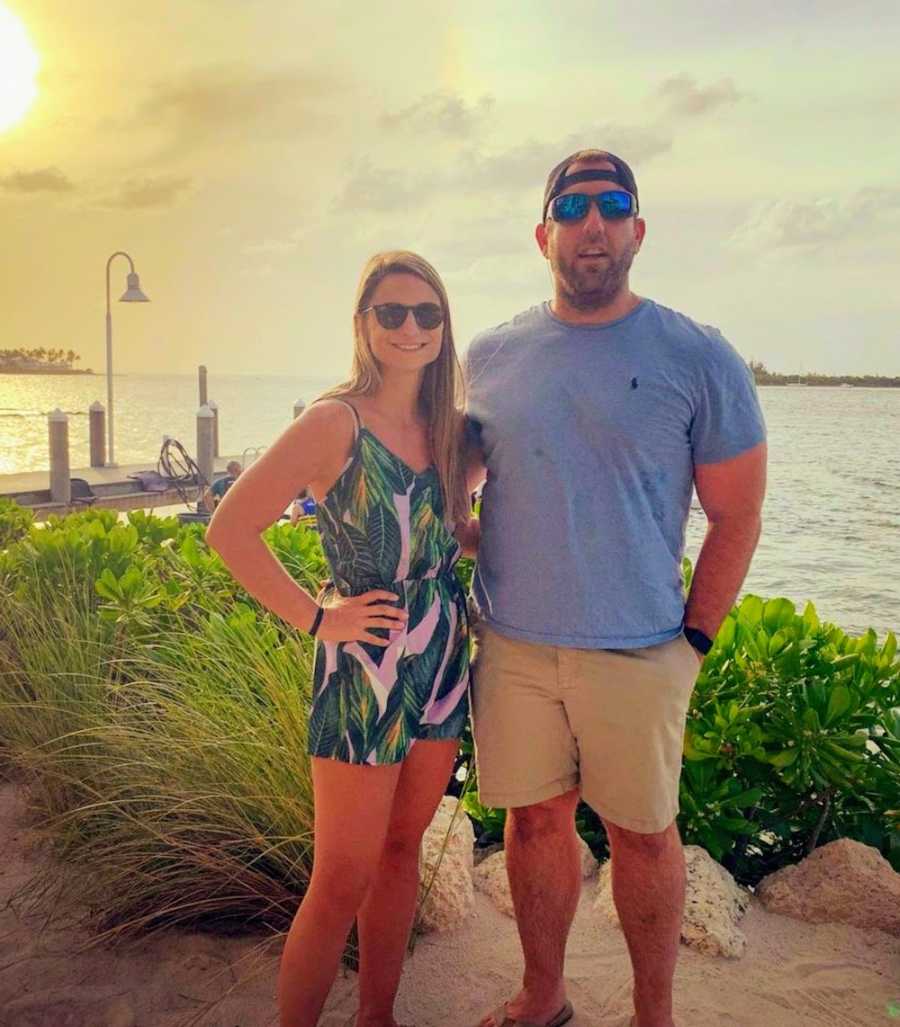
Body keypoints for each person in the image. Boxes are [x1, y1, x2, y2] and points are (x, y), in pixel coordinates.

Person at [464, 150, 767, 1027]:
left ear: (638, 229)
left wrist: (693, 643)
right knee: (532, 827)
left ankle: (653, 1015)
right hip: (516, 645)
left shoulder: (699, 355)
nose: (592, 222)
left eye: (612, 204)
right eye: (573, 206)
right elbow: (461, 485)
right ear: (542, 233)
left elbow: (737, 514)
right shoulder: (491, 354)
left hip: (639, 650)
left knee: (643, 837)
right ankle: (544, 997)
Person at [205, 251, 476, 1027]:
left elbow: (454, 528)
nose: (410, 327)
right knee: (341, 876)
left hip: (442, 663)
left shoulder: (453, 432)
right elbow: (231, 530)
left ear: (443, 325)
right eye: (391, 312)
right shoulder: (335, 423)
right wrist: (320, 618)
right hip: (364, 667)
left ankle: (377, 1016)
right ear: (363, 323)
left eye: (426, 313)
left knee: (400, 855)